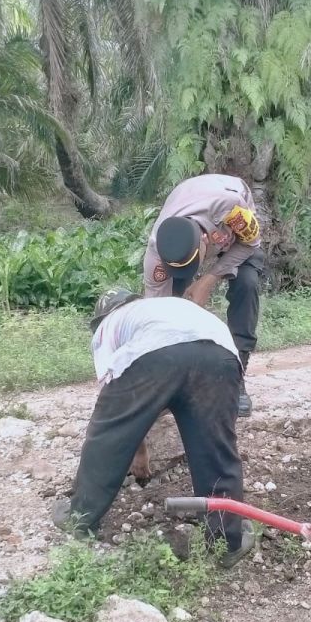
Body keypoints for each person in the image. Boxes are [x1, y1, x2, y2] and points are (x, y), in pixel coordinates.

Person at [52, 288, 255, 567]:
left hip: (154, 353)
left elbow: (120, 415)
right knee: (215, 447)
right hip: (220, 353)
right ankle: (225, 542)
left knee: (106, 437)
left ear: (102, 318)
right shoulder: (164, 307)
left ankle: (80, 516)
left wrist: (138, 451)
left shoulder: (110, 325)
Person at [142, 174, 264, 417]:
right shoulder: (157, 253)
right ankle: (175, 383)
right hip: (189, 202)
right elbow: (155, 316)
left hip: (237, 237)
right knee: (171, 305)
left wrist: (208, 279)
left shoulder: (233, 208)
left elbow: (251, 243)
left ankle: (236, 379)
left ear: (207, 240)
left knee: (247, 285)